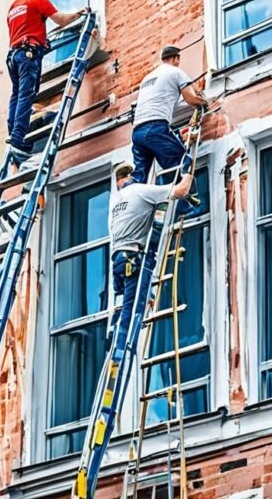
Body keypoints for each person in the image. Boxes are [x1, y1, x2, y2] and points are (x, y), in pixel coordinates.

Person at [108, 162, 194, 353]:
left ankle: (114, 346)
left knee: (123, 310)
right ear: (129, 178)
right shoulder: (140, 190)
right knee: (131, 317)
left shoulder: (115, 202)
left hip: (118, 262)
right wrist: (189, 170)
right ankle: (121, 355)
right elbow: (181, 190)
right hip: (133, 257)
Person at [6, 0, 85, 166]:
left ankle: (13, 134)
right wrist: (79, 14)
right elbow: (61, 20)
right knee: (27, 94)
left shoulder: (14, 7)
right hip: (28, 55)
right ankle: (17, 138)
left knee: (16, 95)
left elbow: (25, 28)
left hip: (14, 55)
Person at [130, 46, 206, 184]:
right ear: (176, 58)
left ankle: (126, 200)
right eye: (178, 60)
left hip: (137, 133)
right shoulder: (176, 72)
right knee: (181, 162)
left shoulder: (148, 78)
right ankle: (186, 202)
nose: (178, 63)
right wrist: (203, 102)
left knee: (139, 176)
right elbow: (191, 99)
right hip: (155, 128)